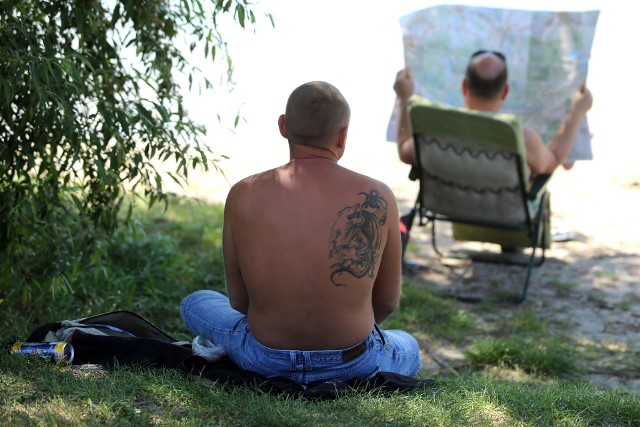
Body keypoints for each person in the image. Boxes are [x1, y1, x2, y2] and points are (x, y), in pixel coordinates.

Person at [180, 81, 421, 387]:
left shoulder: (243, 193)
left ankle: (231, 354)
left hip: (264, 358)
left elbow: (240, 301)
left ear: (283, 126)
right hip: (355, 363)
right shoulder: (379, 195)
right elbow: (386, 302)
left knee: (195, 302)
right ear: (343, 135)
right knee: (407, 343)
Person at [393, 50, 594, 176]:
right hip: (507, 217)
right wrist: (576, 114)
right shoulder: (521, 137)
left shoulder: (435, 130)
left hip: (446, 208)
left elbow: (404, 151)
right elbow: (552, 161)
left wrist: (404, 99)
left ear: (464, 87)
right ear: (505, 91)